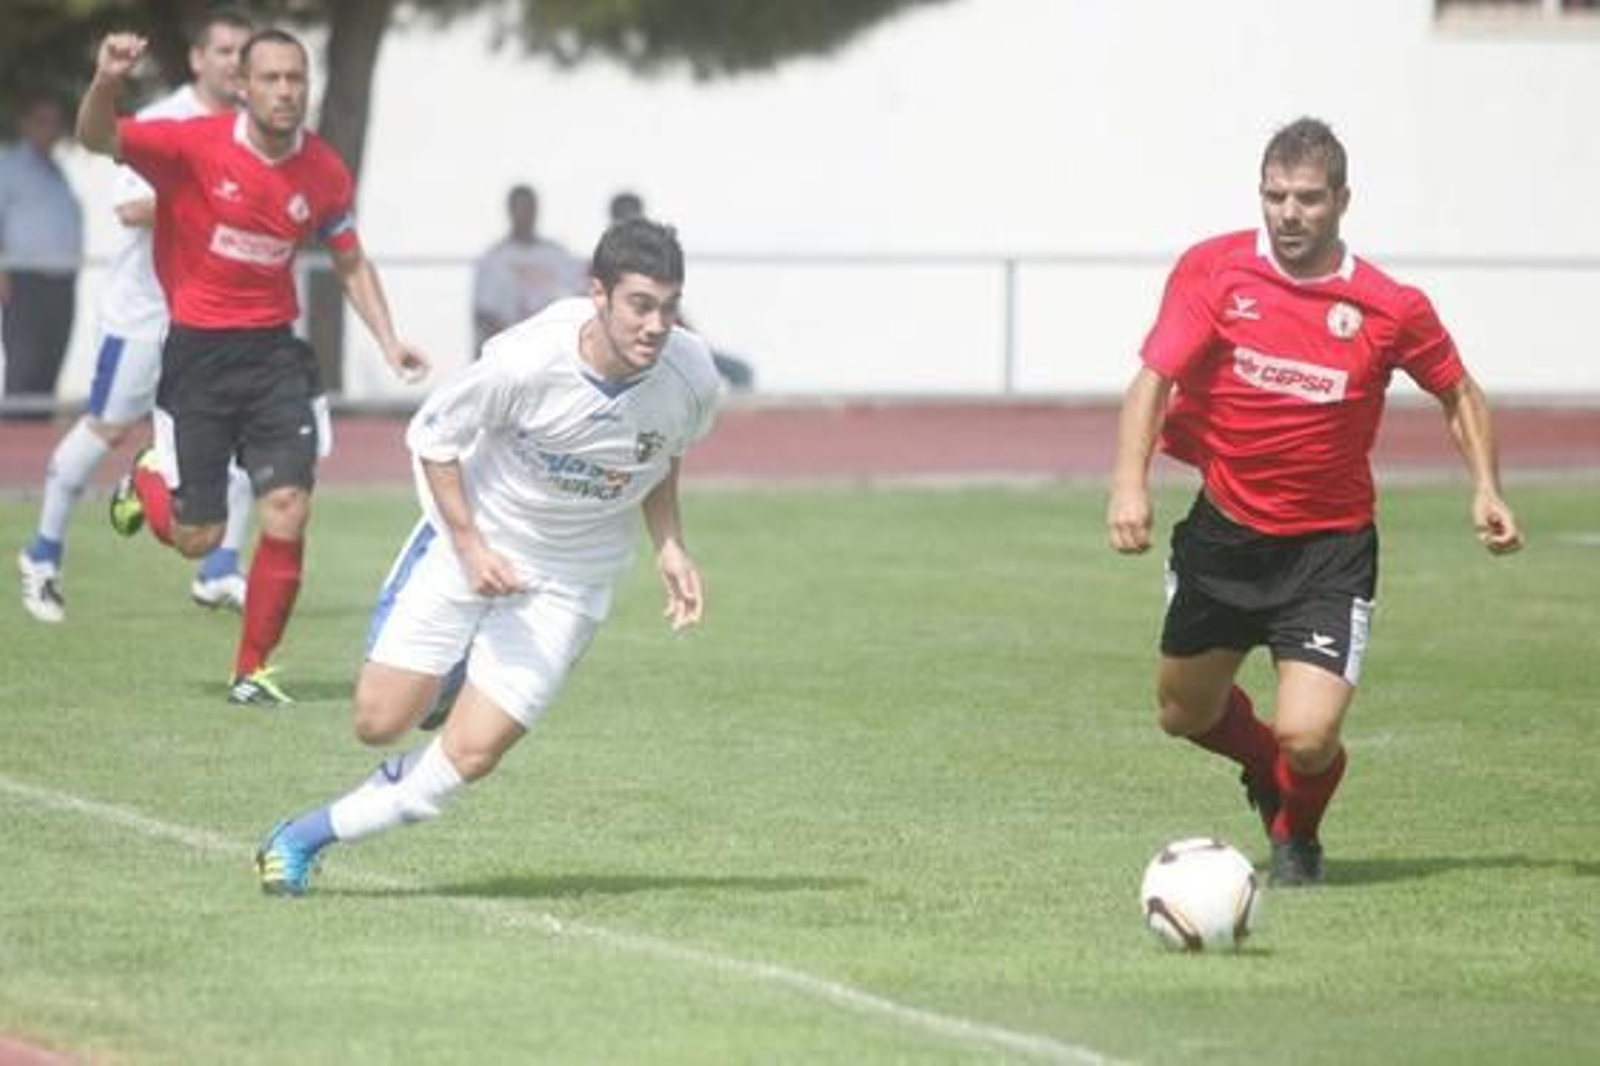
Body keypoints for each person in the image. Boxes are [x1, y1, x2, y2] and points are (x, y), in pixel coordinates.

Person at [1105, 117, 1522, 887]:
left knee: (1309, 734)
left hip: (1327, 551)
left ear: (1342, 201)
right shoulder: (1215, 273)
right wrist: (1130, 484)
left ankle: (1297, 829)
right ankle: (1266, 769)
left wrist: (1486, 487)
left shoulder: (1389, 306)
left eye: (1306, 199)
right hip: (1224, 535)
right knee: (1182, 714)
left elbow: (1457, 391)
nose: (1288, 213)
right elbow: (1152, 380)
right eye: (1274, 196)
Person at [253, 217, 720, 896]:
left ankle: (302, 838)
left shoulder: (691, 373)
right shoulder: (525, 361)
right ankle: (452, 669)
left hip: (570, 581)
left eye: (668, 307)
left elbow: (662, 451)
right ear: (599, 294)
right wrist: (471, 549)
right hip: (473, 540)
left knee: (470, 755)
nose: (656, 325)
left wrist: (670, 543)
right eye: (640, 305)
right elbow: (435, 439)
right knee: (378, 723)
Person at [76, 28, 430, 705]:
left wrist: (389, 340)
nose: (285, 91)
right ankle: (149, 475)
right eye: (270, 78)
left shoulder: (323, 170)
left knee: (288, 510)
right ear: (242, 85)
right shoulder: (191, 144)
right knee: (195, 536)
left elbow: (349, 258)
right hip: (199, 359)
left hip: (274, 356)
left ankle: (252, 670)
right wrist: (106, 81)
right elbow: (97, 139)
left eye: (295, 79)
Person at [17, 8, 255, 625]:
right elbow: (129, 208)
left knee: (248, 433)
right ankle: (41, 555)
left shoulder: (251, 128)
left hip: (212, 318)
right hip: (145, 313)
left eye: (243, 52)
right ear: (199, 59)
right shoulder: (164, 120)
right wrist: (217, 194)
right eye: (224, 51)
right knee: (108, 429)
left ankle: (219, 570)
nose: (235, 63)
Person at [608, 188, 755, 393]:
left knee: (740, 372)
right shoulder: (608, 264)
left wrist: (695, 345)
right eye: (626, 218)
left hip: (672, 344)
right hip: (639, 350)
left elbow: (671, 310)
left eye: (636, 217)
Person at [0, 92, 84, 420]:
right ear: (25, 124)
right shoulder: (10, 165)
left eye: (54, 123)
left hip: (61, 283)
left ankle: (35, 456)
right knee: (25, 370)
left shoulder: (56, 170)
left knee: (49, 370)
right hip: (25, 281)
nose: (49, 129)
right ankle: (10, 458)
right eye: (41, 122)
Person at [471, 183, 584, 350]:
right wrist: (512, 343)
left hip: (553, 349)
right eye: (520, 208)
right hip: (510, 352)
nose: (525, 214)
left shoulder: (557, 254)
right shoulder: (494, 259)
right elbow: (485, 314)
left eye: (529, 208)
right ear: (510, 210)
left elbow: (577, 299)